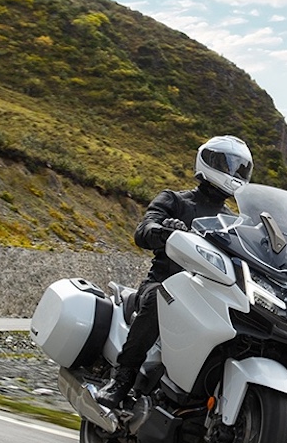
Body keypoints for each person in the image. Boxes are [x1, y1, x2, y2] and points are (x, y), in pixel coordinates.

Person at [95, 134, 254, 413]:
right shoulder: (175, 200)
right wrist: (163, 230)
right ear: (208, 162)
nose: (233, 173)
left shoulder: (235, 222)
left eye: (240, 168)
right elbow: (143, 231)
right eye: (227, 165)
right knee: (161, 297)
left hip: (210, 296)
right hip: (164, 283)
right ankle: (122, 378)